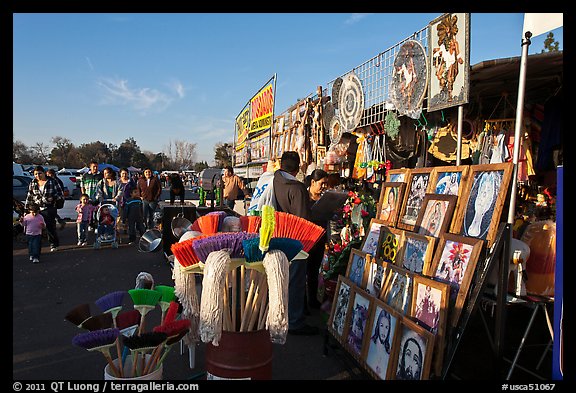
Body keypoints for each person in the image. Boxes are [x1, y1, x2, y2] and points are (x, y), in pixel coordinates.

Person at [273, 151, 317, 335]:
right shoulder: (297, 188)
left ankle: (282, 317)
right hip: (297, 240)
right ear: (298, 167)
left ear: (281, 165)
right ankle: (295, 322)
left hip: (278, 237)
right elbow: (303, 219)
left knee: (282, 280)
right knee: (296, 281)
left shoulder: (274, 181)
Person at [25, 165, 64, 252]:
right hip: (37, 207)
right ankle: (37, 246)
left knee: (50, 227)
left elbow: (60, 194)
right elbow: (30, 196)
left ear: (44, 173)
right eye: (35, 174)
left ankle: (54, 244)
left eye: (39, 173)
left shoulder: (52, 181)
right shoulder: (33, 183)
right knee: (36, 227)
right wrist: (26, 209)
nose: (38, 176)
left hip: (49, 207)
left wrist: (53, 198)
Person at [304, 169, 328, 310]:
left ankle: (313, 300)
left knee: (314, 272)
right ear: (313, 182)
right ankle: (303, 303)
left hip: (320, 238)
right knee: (304, 272)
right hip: (307, 239)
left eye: (325, 184)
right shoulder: (304, 197)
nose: (324, 187)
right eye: (321, 183)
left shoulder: (324, 198)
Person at [366, 308, 394, 379]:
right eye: (381, 325)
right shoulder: (370, 344)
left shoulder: (388, 353)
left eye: (387, 327)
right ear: (378, 326)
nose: (384, 331)